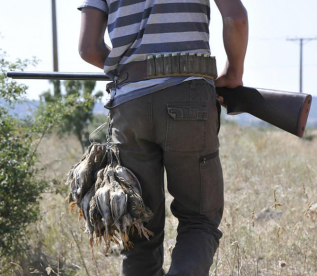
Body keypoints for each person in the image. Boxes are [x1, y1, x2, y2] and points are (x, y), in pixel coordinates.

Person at [77, 0, 248, 275]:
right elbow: (236, 19)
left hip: (129, 108)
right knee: (199, 221)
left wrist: (127, 71)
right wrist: (234, 72)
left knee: (139, 228)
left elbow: (88, 49)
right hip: (189, 96)